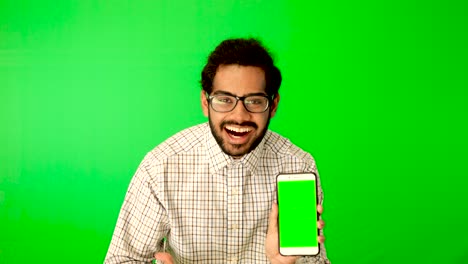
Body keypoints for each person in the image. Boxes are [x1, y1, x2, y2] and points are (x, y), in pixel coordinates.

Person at [105, 38, 330, 264]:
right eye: (224, 99)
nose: (240, 116)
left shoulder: (298, 166)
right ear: (205, 102)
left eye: (254, 101)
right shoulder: (161, 166)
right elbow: (121, 259)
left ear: (273, 105)